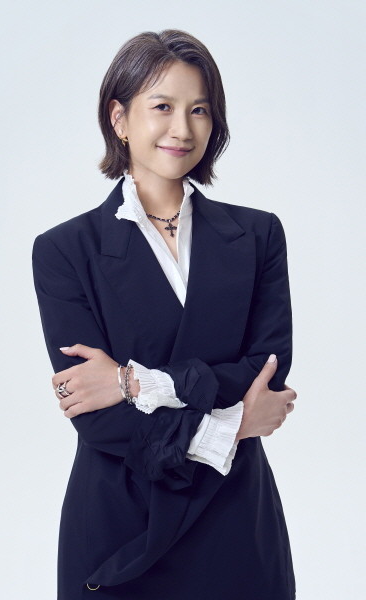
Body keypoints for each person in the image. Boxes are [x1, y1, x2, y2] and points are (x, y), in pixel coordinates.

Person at [32, 29, 297, 600]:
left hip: (234, 522)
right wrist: (230, 427)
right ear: (119, 118)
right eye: (162, 107)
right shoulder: (64, 250)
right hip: (120, 526)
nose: (182, 129)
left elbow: (265, 372)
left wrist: (133, 383)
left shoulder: (257, 235)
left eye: (199, 109)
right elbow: (96, 418)